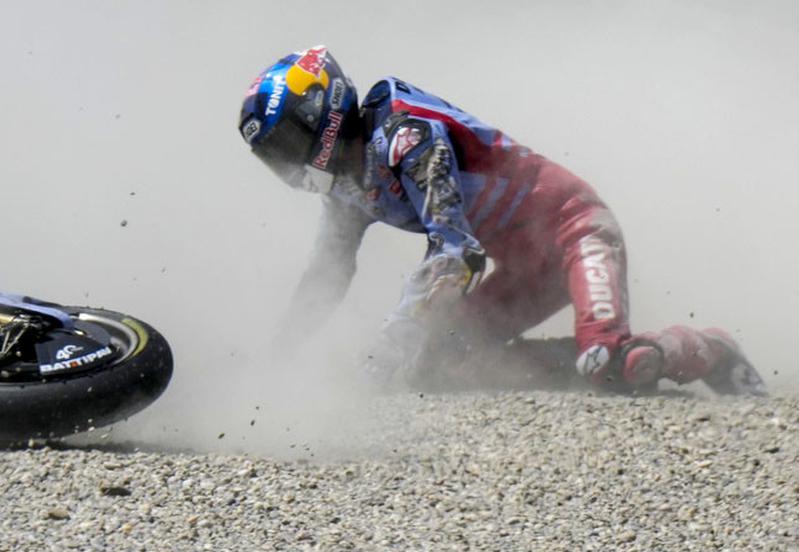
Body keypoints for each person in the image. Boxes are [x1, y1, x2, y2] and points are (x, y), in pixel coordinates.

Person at [237, 45, 766, 395]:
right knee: (443, 368)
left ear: (319, 113)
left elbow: (456, 253)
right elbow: (325, 279)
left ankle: (707, 349)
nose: (287, 161)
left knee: (612, 363)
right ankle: (591, 360)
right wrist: (276, 363)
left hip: (575, 229)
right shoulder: (347, 191)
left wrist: (387, 345)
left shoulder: (405, 135)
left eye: (287, 141)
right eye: (274, 154)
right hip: (525, 266)